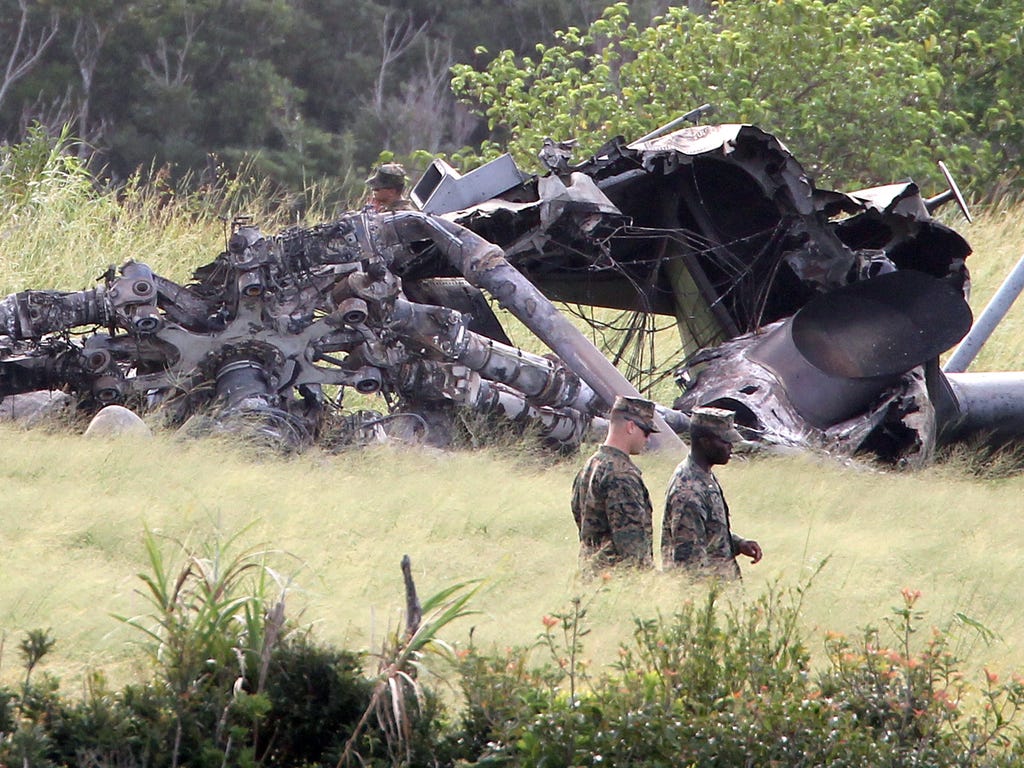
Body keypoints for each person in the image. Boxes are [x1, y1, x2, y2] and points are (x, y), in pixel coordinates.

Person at [662, 406, 762, 579]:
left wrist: (738, 544)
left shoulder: (703, 477)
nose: (731, 447)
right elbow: (689, 567)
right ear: (705, 442)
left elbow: (709, 531)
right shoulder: (689, 491)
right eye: (724, 441)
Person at [571, 395, 657, 569]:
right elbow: (633, 552)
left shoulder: (590, 465)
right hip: (615, 581)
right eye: (646, 432)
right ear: (631, 427)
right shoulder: (621, 475)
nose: (647, 439)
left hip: (590, 575)